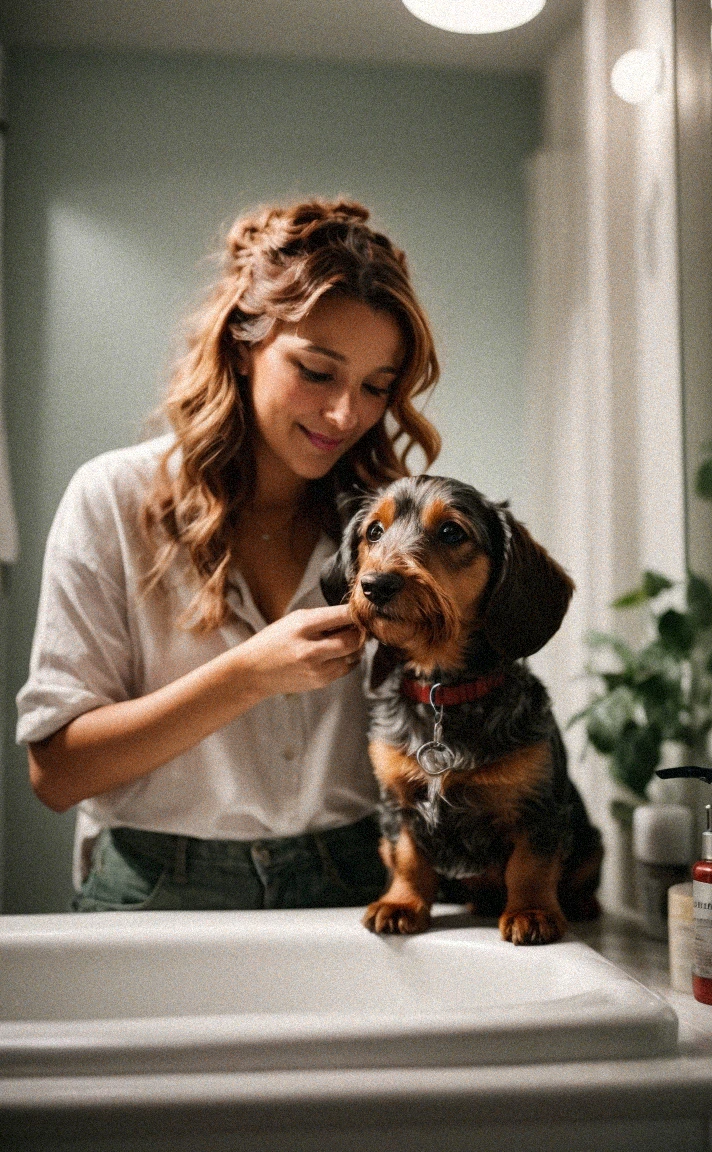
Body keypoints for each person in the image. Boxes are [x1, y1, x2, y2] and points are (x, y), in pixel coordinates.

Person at [16, 198, 441, 911]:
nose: (346, 414)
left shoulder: (385, 523)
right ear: (244, 342)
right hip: (157, 888)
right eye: (316, 371)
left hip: (355, 880)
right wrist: (246, 675)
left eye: (376, 387)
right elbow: (55, 774)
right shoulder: (112, 499)